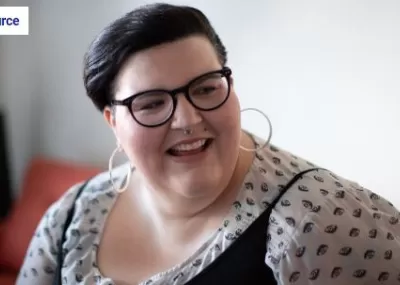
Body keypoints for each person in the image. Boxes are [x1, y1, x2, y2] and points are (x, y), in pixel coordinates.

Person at [17, 3, 399, 285]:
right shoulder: (70, 220)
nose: (188, 120)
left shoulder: (318, 223)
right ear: (113, 122)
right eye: (151, 103)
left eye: (205, 88)